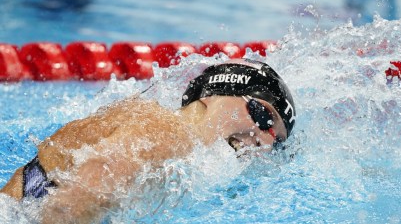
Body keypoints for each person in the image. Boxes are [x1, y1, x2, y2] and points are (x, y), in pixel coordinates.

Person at [0, 58, 295, 223]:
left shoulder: (177, 143)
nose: (264, 140)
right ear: (216, 94)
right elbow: (78, 197)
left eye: (277, 141)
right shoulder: (166, 130)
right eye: (262, 116)